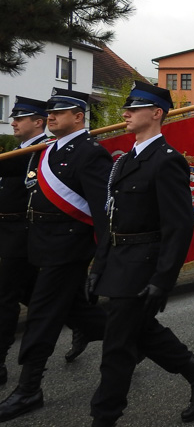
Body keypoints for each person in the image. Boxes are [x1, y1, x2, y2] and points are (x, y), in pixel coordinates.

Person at [88, 81, 194, 427]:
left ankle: (104, 416)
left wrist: (163, 280)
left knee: (118, 345)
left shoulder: (167, 162)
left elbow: (179, 227)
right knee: (143, 331)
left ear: (157, 113)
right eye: (127, 108)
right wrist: (98, 267)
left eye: (135, 108)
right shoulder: (123, 164)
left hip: (142, 265)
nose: (126, 113)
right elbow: (112, 219)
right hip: (118, 263)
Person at [0, 89, 109, 423]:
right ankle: (140, 342)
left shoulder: (90, 153)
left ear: (79, 116)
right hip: (39, 246)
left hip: (69, 249)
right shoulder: (42, 153)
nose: (51, 117)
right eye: (49, 112)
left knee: (42, 318)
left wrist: (103, 260)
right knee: (77, 312)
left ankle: (29, 388)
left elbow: (101, 212)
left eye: (58, 112)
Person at [0, 98, 50, 385]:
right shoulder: (21, 151)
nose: (13, 122)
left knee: (5, 297)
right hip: (8, 234)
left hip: (22, 236)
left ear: (38, 122)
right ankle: (90, 324)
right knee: (35, 297)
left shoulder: (40, 152)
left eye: (20, 118)